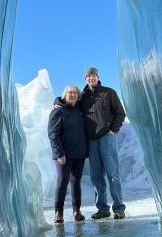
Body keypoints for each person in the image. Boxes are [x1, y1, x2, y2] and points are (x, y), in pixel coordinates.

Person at [81, 67, 126, 220]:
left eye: (93, 75)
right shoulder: (82, 97)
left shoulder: (108, 92)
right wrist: (57, 102)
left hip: (107, 137)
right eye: (88, 76)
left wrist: (113, 130)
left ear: (97, 77)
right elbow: (69, 102)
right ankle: (103, 209)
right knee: (96, 176)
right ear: (85, 79)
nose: (90, 78)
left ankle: (119, 208)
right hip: (91, 141)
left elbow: (120, 113)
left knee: (113, 173)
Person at [48, 85, 88, 224]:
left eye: (75, 93)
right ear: (64, 95)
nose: (72, 95)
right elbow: (53, 134)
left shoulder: (80, 110)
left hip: (79, 154)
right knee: (62, 182)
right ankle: (59, 213)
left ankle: (77, 211)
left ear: (78, 96)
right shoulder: (57, 111)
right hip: (64, 154)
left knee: (76, 182)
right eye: (69, 92)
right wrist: (59, 153)